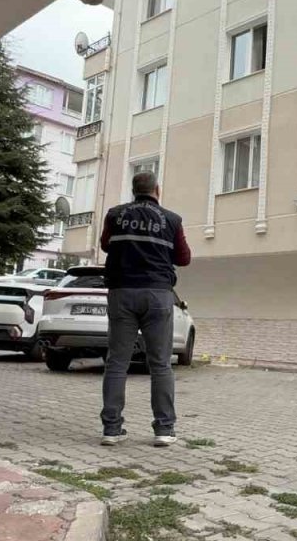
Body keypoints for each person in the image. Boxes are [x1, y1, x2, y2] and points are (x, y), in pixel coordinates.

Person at [98, 171, 192, 447]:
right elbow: (184, 258)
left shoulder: (115, 215)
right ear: (157, 191)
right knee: (161, 363)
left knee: (117, 362)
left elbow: (105, 245)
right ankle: (164, 430)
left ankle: (111, 430)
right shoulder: (172, 220)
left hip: (122, 292)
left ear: (133, 190)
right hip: (158, 294)